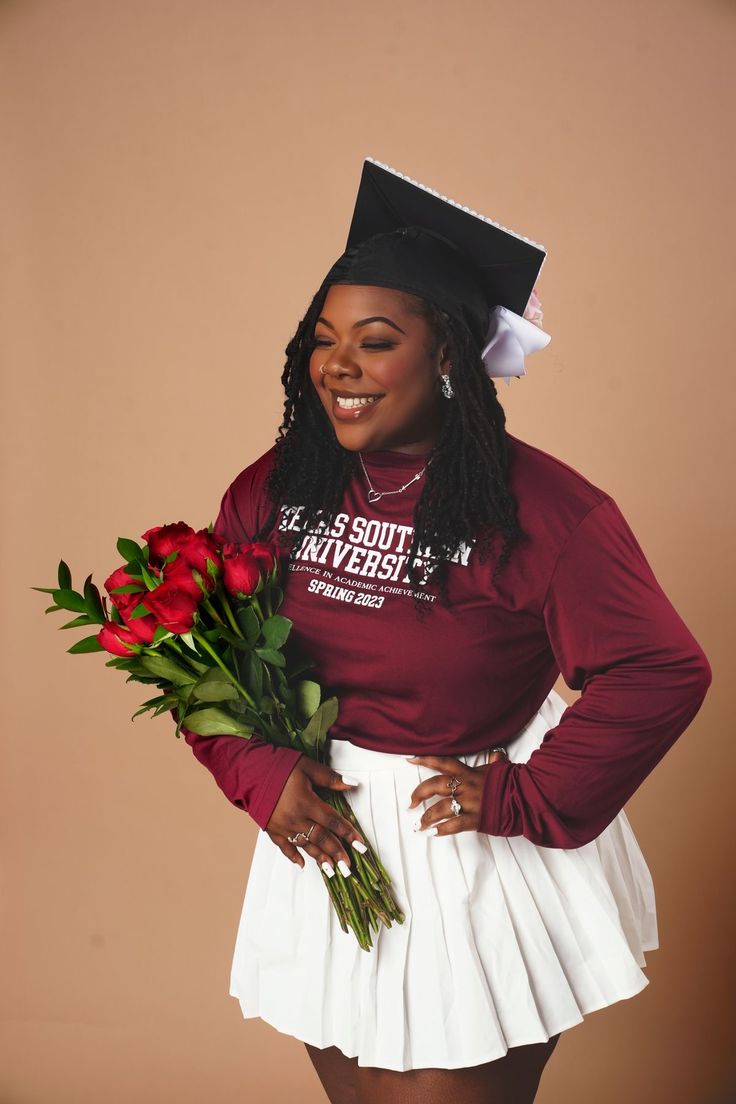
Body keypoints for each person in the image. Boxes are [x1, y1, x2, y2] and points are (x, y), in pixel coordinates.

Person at [181, 160, 712, 1103]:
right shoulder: (280, 483)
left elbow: (659, 668)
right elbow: (202, 647)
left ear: (450, 358)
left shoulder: (544, 507)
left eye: (375, 342)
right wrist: (259, 774)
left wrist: (527, 795)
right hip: (330, 834)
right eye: (323, 338)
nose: (337, 364)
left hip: (468, 846)